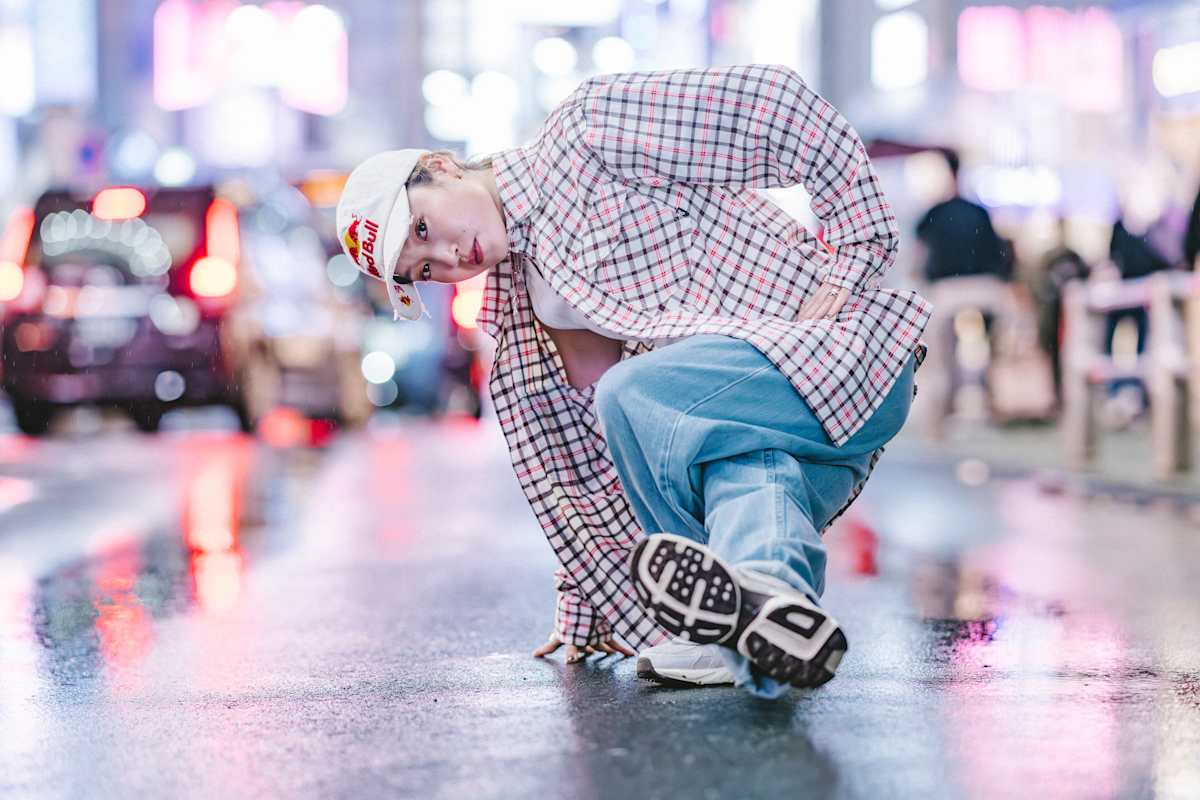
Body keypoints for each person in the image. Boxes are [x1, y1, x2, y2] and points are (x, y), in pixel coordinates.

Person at [334, 64, 931, 698]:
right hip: (766, 419)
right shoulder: (528, 312)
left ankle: (739, 611)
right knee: (741, 473)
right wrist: (585, 605)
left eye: (424, 229)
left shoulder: (587, 133)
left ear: (443, 167)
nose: (450, 258)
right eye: (425, 268)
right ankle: (767, 622)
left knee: (632, 393)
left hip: (835, 356)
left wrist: (854, 254)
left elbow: (775, 105)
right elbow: (582, 469)